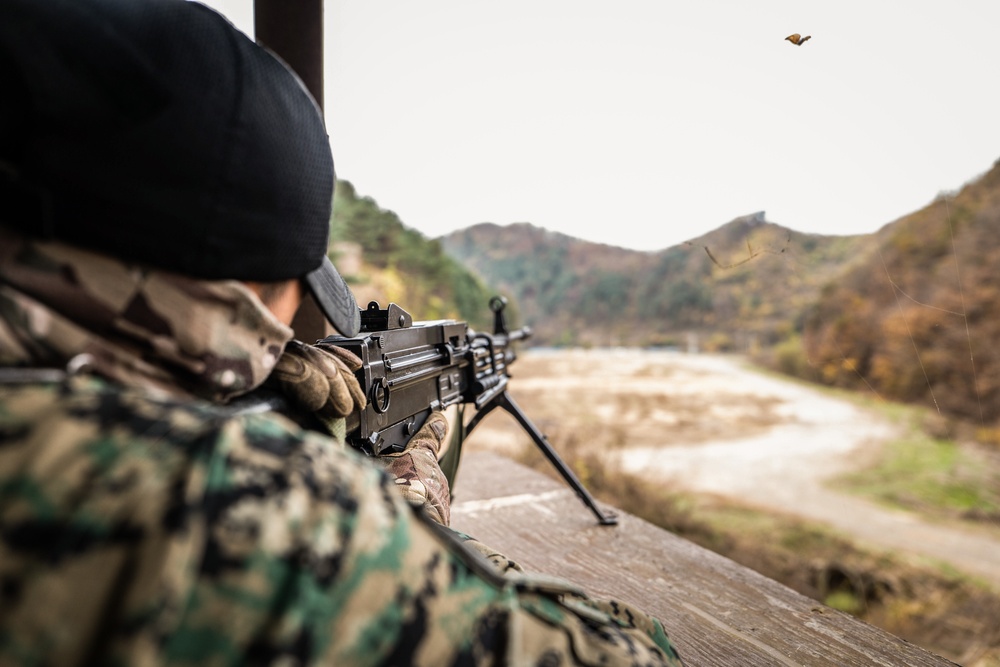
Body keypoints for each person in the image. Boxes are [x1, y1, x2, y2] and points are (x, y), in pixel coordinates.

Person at [0, 1, 684, 665]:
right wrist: (410, 512)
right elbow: (641, 651)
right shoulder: (233, 501)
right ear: (247, 289)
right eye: (286, 301)